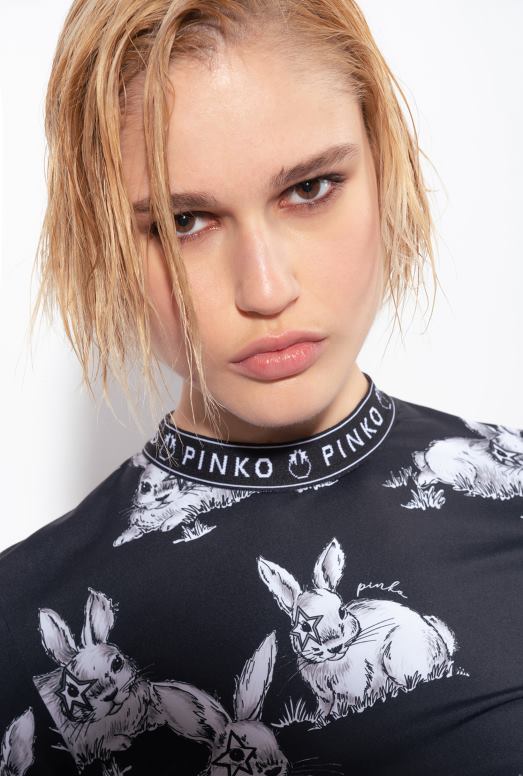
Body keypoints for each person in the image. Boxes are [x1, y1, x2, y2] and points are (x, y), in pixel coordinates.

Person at [0, 0, 521, 774]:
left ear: (385, 164)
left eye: (310, 188)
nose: (266, 289)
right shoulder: (15, 626)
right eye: (182, 221)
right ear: (104, 241)